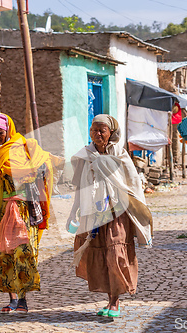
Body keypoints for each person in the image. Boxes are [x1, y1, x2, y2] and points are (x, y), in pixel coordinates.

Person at [0, 113, 60, 313]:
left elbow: (41, 166)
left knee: (22, 254)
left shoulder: (23, 148)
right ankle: (12, 300)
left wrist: (39, 166)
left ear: (8, 130)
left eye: (0, 133)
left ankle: (23, 300)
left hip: (24, 212)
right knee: (3, 256)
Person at [68, 114, 152, 317]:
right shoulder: (85, 156)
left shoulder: (120, 156)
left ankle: (115, 301)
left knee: (116, 254)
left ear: (111, 133)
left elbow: (133, 185)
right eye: (94, 130)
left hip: (117, 213)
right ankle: (109, 298)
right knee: (100, 254)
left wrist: (140, 213)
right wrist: (75, 212)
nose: (97, 134)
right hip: (94, 213)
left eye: (101, 130)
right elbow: (80, 187)